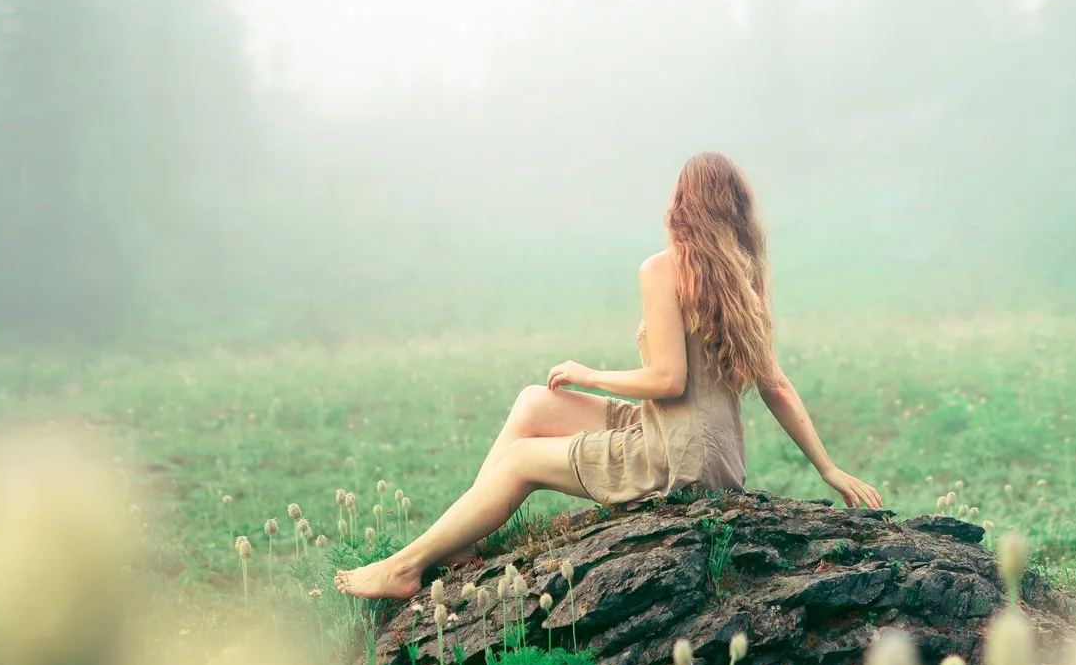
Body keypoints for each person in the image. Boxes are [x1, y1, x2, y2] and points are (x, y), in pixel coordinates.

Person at [334, 152, 883, 600]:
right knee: (533, 402)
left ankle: (405, 566)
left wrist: (587, 373)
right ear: (737, 211)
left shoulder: (665, 268)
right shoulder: (744, 277)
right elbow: (776, 386)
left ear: (682, 204)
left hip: (673, 459)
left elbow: (668, 380)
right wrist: (828, 468)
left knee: (522, 459)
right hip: (713, 457)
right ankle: (463, 534)